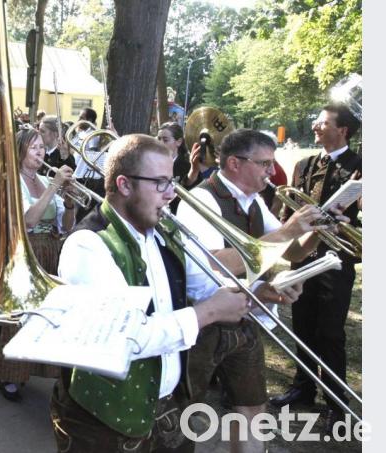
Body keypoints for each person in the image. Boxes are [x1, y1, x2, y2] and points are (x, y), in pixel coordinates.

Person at [50, 134, 251, 452]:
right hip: (103, 421)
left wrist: (256, 292)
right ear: (124, 185)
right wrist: (210, 311)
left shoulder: (165, 232)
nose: (171, 194)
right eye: (160, 183)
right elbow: (127, 336)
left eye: (172, 182)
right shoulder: (87, 244)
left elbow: (204, 286)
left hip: (168, 407)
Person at [174, 128, 328, 452]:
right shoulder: (201, 200)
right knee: (182, 412)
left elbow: (293, 251)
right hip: (204, 324)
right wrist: (287, 231)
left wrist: (316, 231)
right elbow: (213, 263)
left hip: (245, 319)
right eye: (264, 163)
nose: (272, 171)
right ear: (234, 163)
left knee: (252, 409)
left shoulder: (254, 200)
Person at [269, 103, 362, 434]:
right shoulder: (304, 165)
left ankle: (337, 403)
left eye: (322, 123)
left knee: (330, 333)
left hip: (337, 260)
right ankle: (303, 388)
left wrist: (349, 222)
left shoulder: (362, 166)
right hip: (303, 256)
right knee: (303, 326)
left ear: (343, 130)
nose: (315, 127)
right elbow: (289, 211)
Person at [0, 126, 77, 402]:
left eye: (42, 146)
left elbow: (66, 226)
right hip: (24, 251)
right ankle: (8, 374)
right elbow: (28, 220)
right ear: (20, 152)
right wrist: (53, 187)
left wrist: (70, 202)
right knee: (20, 315)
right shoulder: (12, 181)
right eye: (34, 147)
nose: (40, 152)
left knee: (46, 315)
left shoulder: (43, 179)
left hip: (50, 250)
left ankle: (38, 368)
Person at [156, 121, 190, 213]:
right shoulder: (152, 162)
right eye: (158, 139)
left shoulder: (187, 166)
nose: (160, 143)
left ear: (178, 142)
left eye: (165, 140)